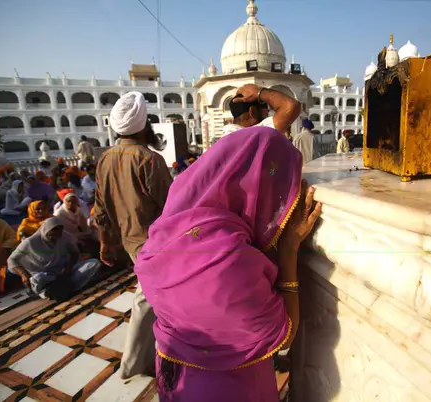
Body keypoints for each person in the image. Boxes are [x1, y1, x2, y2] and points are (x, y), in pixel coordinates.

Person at [135, 126, 322, 401]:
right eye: (277, 188)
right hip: (231, 390)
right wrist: (289, 248)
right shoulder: (229, 263)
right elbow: (283, 337)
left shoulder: (161, 235)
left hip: (177, 381)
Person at [95, 91, 172, 379]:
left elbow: (100, 207)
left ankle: (155, 351)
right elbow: (171, 208)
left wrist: (105, 241)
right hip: (154, 245)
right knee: (146, 299)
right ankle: (133, 363)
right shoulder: (149, 159)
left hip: (129, 242)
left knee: (153, 297)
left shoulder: (106, 158)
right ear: (143, 125)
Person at [8, 217, 101, 301]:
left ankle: (65, 287)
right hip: (46, 275)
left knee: (93, 263)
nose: (55, 239)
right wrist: (23, 274)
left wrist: (68, 267)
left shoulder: (66, 237)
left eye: (58, 234)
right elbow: (11, 260)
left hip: (64, 272)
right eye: (51, 236)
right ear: (45, 231)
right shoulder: (30, 242)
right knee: (38, 279)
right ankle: (54, 289)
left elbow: (74, 253)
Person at [220, 84, 301, 138]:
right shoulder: (252, 136)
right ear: (253, 112)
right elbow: (291, 106)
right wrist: (259, 92)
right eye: (266, 114)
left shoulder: (224, 139)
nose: (268, 117)